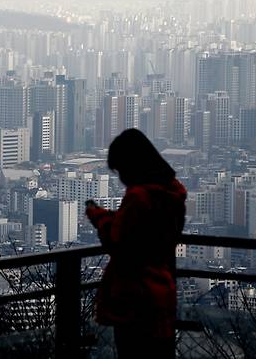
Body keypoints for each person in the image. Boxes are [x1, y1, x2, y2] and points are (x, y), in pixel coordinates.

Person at [86, 129, 186, 359]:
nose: (121, 177)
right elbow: (144, 233)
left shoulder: (139, 196)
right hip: (163, 289)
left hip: (136, 297)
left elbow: (119, 244)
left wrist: (98, 217)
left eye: (120, 169)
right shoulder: (172, 193)